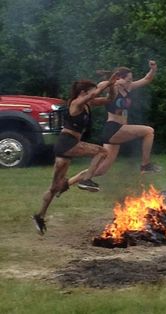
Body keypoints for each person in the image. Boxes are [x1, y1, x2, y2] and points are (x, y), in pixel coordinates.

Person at [32, 75, 117, 234]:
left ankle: (39, 216)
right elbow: (93, 95)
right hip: (67, 142)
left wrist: (111, 86)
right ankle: (87, 180)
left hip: (65, 148)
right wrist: (106, 83)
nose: (95, 94)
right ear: (83, 92)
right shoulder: (76, 103)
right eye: (92, 91)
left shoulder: (88, 104)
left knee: (55, 187)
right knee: (102, 151)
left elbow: (110, 99)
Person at [90, 60, 161, 178]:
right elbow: (97, 89)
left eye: (131, 80)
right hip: (113, 128)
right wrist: (112, 82)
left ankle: (69, 182)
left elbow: (147, 79)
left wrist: (153, 69)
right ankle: (145, 165)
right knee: (149, 131)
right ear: (119, 78)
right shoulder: (113, 88)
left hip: (119, 130)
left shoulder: (129, 87)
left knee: (101, 170)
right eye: (128, 80)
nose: (130, 82)